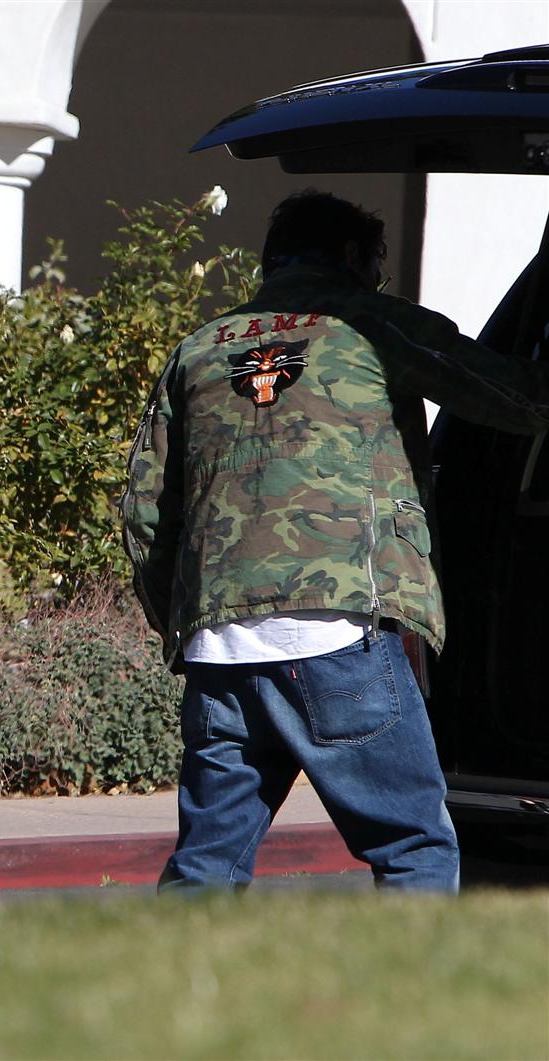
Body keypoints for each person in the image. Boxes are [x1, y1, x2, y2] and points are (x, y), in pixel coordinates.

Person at [121, 190, 549, 891]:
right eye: (375, 267)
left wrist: (191, 621)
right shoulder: (371, 322)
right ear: (352, 257)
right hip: (338, 635)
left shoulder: (196, 350)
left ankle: (174, 1001)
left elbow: (143, 514)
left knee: (205, 867)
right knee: (414, 848)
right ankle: (407, 1003)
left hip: (219, 649)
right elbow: (524, 401)